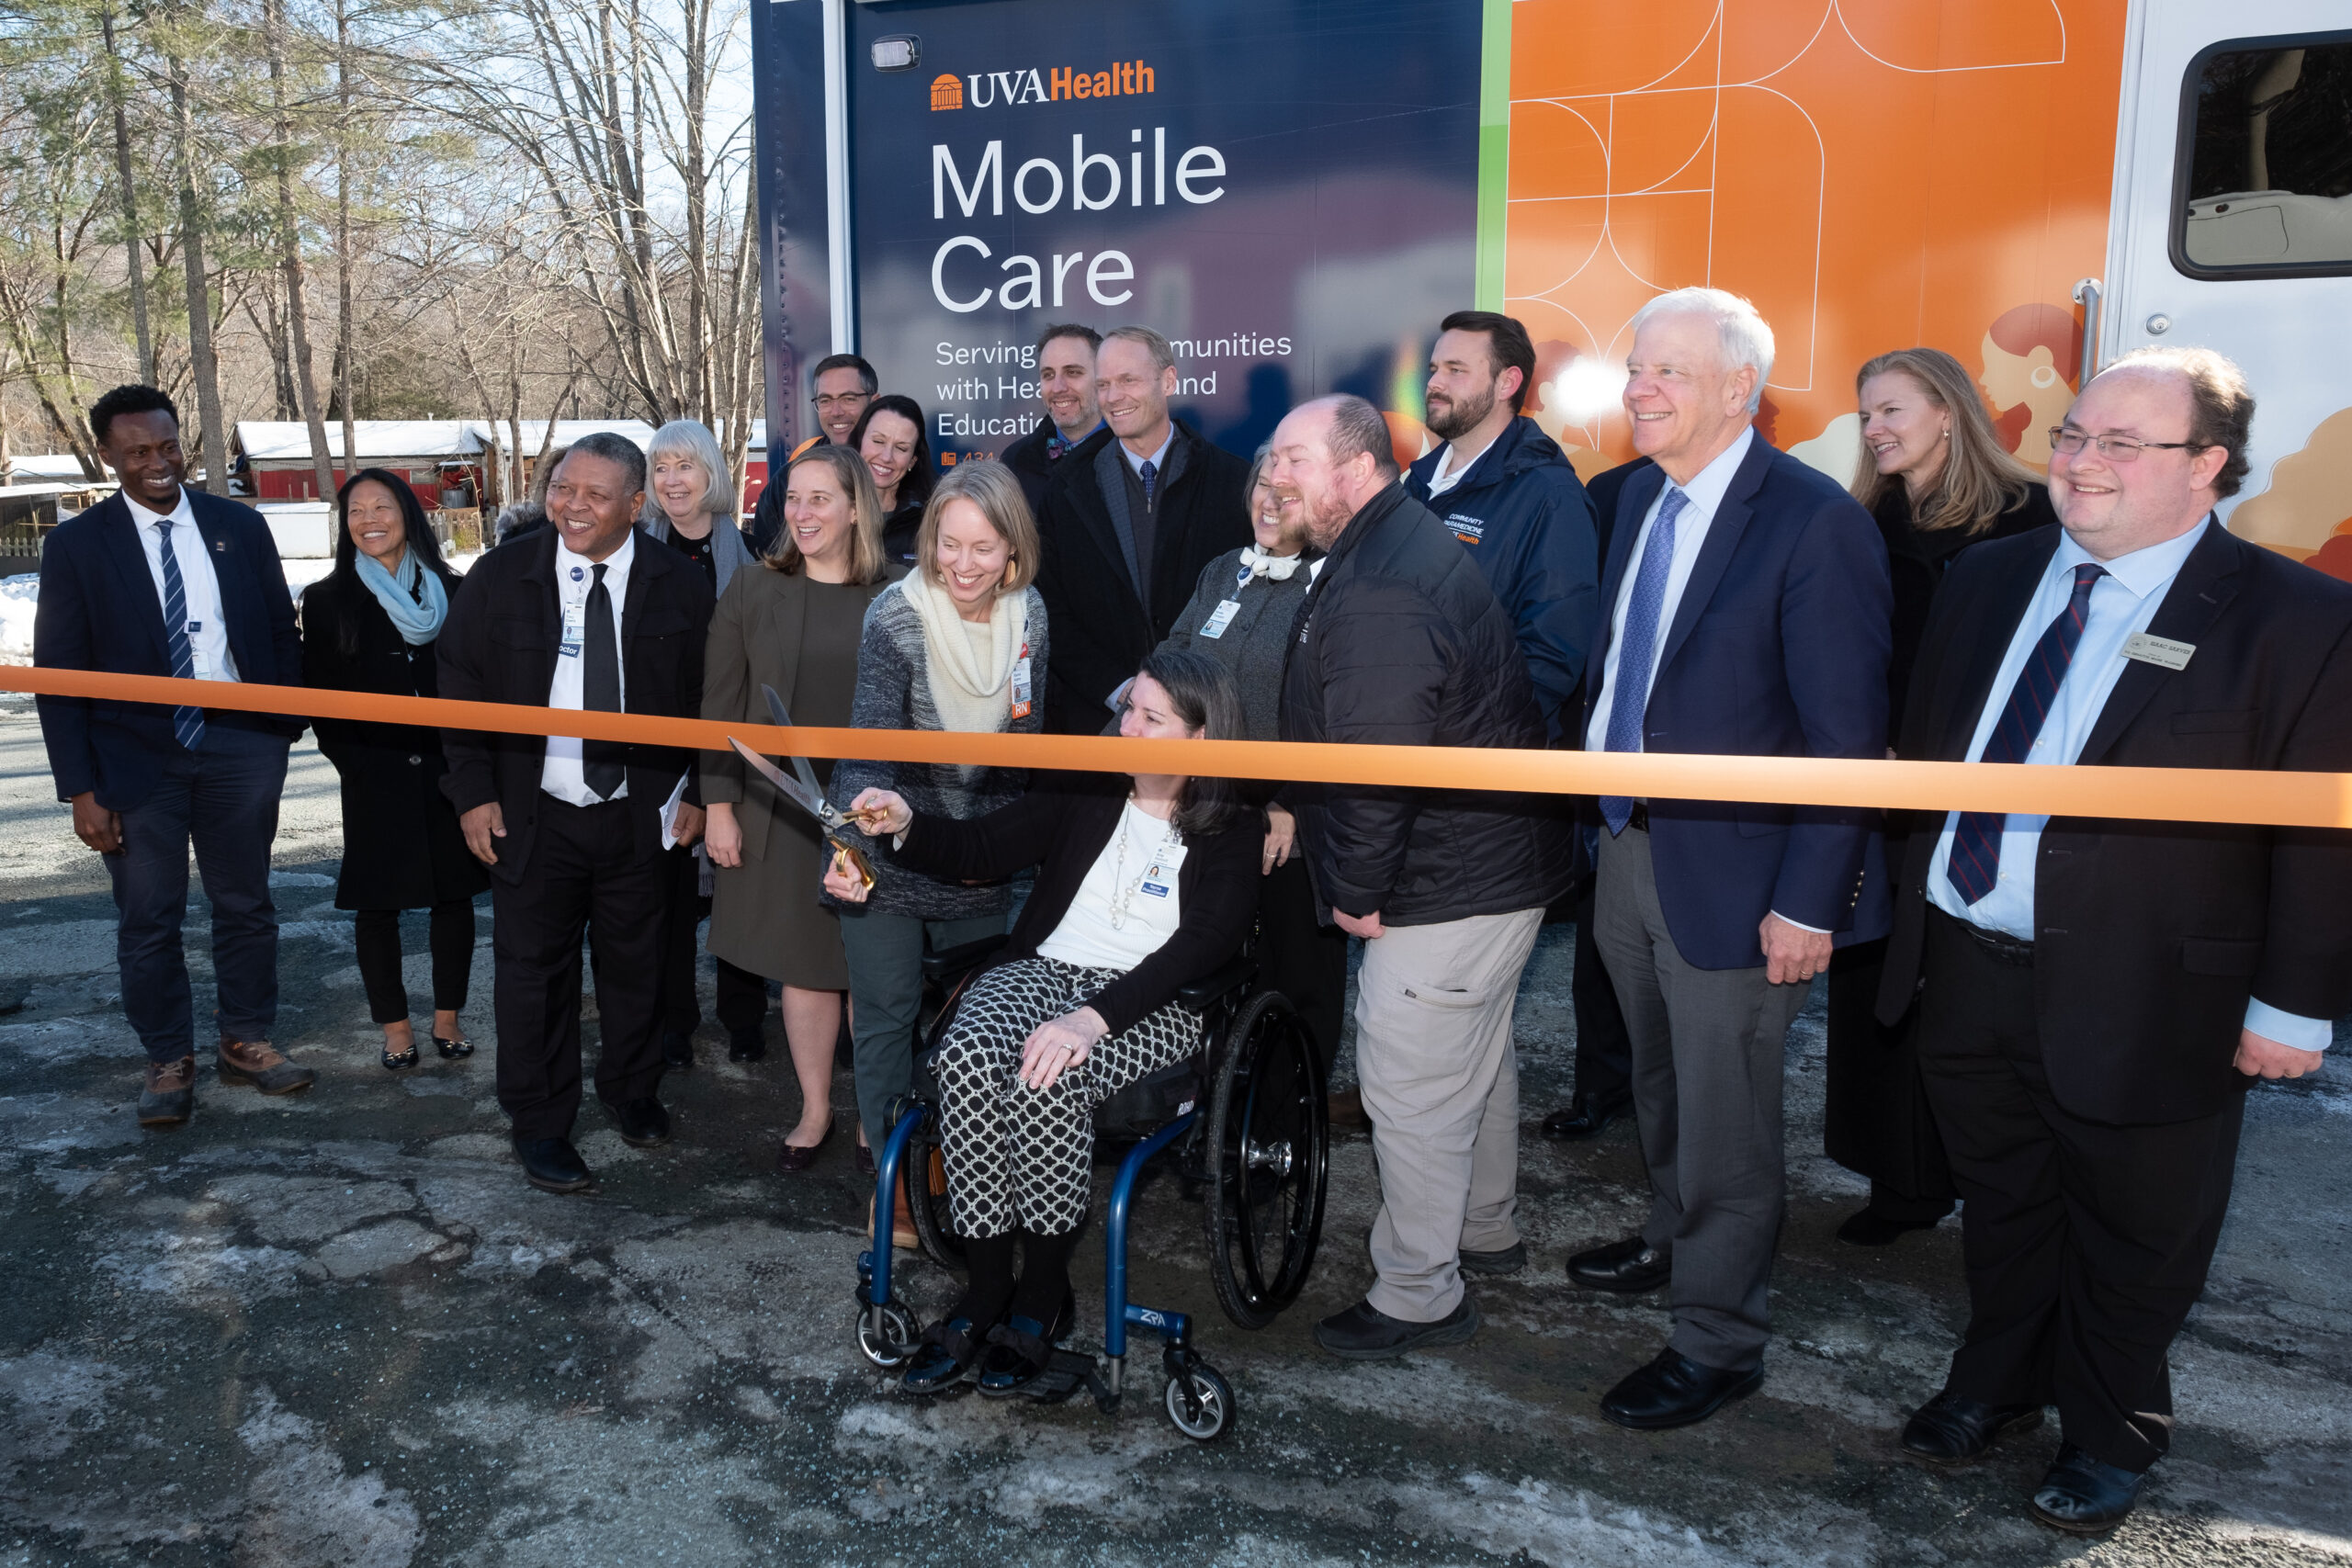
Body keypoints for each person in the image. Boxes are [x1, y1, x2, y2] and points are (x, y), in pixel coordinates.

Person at [1877, 346, 2352, 1534]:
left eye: (2121, 444)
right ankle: (1997, 1380)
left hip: (2151, 990)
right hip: (1970, 960)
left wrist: (2293, 1006)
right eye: (2077, 434)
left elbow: (2324, 833)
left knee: (2139, 1233)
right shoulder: (1990, 578)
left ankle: (2110, 1427)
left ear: (2209, 468)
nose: (2081, 463)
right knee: (2004, 1202)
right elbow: (1928, 757)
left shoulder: (2298, 618)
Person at [1566, 288, 1891, 1430]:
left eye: (1668, 372)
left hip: (1746, 882)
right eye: (1635, 367)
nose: (1639, 388)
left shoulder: (1811, 522)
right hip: (1628, 847)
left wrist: (1809, 902)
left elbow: (1847, 738)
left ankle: (1717, 1341)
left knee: (1727, 1121)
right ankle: (1670, 1238)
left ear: (1738, 391)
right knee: (1658, 1088)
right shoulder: (1639, 504)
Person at [827, 649, 1260, 1396]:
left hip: (1150, 1000)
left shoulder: (1233, 825)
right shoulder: (1087, 784)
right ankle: (988, 1285)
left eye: (1153, 719)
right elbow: (986, 846)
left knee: (1043, 1076)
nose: (1128, 727)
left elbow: (1205, 942)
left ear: (1202, 734)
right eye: (1130, 709)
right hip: (1043, 970)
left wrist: (1094, 1018)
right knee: (962, 1056)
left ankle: (1043, 1293)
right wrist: (906, 823)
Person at [1272, 394, 1572, 1359]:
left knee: (1411, 1088)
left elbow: (1373, 768)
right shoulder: (1390, 544)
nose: (1273, 478)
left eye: (1291, 461)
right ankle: (1484, 1227)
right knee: (1473, 1063)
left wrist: (1355, 893)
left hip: (1442, 882)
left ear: (1354, 468)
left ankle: (1417, 1293)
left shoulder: (1381, 587)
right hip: (1487, 868)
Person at [435, 432, 716, 1194]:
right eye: (563, 487)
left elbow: (709, 701)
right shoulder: (498, 578)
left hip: (639, 816)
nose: (572, 505)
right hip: (531, 816)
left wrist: (697, 792)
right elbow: (457, 689)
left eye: (596, 494)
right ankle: (540, 1122)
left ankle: (632, 1089)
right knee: (532, 977)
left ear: (637, 503)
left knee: (639, 968)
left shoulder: (679, 584)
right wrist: (472, 794)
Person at [1823, 347, 2059, 1247]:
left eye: (1891, 411)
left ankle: (1992, 1186)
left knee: (1965, 993)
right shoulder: (1854, 521)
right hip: (1879, 793)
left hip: (1988, 792)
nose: (1875, 430)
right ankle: (1901, 1184)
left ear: (1948, 413)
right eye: (1866, 416)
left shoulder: (2028, 518)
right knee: (1878, 985)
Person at [33, 382, 314, 1125]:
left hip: (238, 745)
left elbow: (279, 633)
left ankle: (246, 1037)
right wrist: (79, 790)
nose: (157, 463)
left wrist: (275, 733)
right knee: (148, 917)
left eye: (166, 446)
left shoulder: (237, 526)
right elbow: (56, 678)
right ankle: (167, 1056)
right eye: (137, 453)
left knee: (246, 904)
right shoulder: (74, 546)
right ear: (106, 455)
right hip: (132, 762)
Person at [826, 458, 1047, 1190]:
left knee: (975, 1027)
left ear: (1013, 549)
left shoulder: (1030, 617)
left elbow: (1024, 748)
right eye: (949, 544)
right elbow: (866, 748)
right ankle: (893, 1181)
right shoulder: (895, 615)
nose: (963, 564)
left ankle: (958, 1162)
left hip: (979, 856)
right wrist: (851, 848)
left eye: (984, 548)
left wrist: (1000, 853)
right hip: (889, 849)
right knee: (885, 1020)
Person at [702, 445, 903, 1168]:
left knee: (874, 971)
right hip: (781, 810)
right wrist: (718, 804)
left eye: (822, 498)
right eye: (795, 497)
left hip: (876, 811)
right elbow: (719, 705)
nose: (803, 511)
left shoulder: (902, 593)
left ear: (857, 508)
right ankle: (816, 1108)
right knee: (804, 965)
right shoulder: (753, 590)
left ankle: (875, 1113)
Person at [1149, 453, 1349, 1091]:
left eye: (1289, 491)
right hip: (1209, 805)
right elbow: (1172, 659)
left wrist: (1292, 799)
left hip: (1295, 809)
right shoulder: (1223, 571)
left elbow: (1343, 713)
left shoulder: (1338, 585)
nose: (1270, 500)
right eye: (1264, 484)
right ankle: (1209, 1110)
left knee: (1295, 972)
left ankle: (1289, 1123)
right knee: (1212, 963)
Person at [300, 468, 488, 1070]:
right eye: (356, 509)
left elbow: (476, 686)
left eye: (382, 506)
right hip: (373, 774)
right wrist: (353, 764)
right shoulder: (327, 600)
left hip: (445, 769)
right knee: (375, 906)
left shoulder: (453, 591)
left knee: (452, 898)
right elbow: (319, 697)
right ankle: (396, 1029)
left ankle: (447, 1020)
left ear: (408, 513)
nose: (369, 519)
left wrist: (469, 765)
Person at [1035, 325, 1252, 733]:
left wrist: (1191, 690)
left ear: (1168, 380)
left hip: (1208, 724)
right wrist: (1119, 689)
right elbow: (1050, 609)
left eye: (1127, 380)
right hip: (1100, 725)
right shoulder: (1065, 490)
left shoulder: (1231, 483)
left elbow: (1251, 604)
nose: (1113, 397)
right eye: (1103, 384)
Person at [1404, 310, 1600, 744]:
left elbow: (1552, 654)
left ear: (1507, 384)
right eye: (1435, 369)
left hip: (1481, 775)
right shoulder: (1414, 484)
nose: (1434, 383)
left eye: (1456, 370)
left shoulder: (1550, 496)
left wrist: (1470, 745)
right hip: (1403, 750)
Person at [1539, 453, 1655, 1145]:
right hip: (1603, 767)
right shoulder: (1614, 491)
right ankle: (1601, 1086)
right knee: (1599, 945)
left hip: (1705, 793)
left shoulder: (1791, 503)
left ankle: (1667, 1100)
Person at [639, 418, 759, 1073]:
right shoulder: (635, 551)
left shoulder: (749, 555)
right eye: (661, 468)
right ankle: (673, 1024)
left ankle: (743, 1018)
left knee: (738, 887)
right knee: (669, 899)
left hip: (731, 741)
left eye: (685, 465)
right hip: (659, 748)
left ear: (711, 473)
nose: (673, 480)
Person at [749, 353, 876, 553]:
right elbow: (767, 563)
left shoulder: (894, 475)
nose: (836, 411)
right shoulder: (785, 482)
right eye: (825, 401)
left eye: (848, 399)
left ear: (874, 401)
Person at [999, 323, 1102, 516]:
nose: (1058, 387)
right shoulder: (1015, 461)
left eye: (1073, 372)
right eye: (1048, 375)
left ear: (1102, 378)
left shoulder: (1131, 453)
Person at [847, 394, 934, 566]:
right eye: (878, 441)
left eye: (901, 448)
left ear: (912, 461)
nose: (886, 457)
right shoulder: (828, 510)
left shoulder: (931, 520)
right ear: (860, 441)